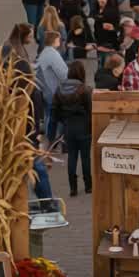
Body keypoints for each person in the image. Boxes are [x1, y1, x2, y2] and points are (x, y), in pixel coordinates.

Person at [53, 61, 93, 196]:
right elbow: (90, 111)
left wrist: (63, 121)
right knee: (85, 157)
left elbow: (54, 110)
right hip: (84, 127)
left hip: (69, 126)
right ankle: (88, 185)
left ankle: (73, 187)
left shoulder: (59, 89)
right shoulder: (85, 90)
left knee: (72, 156)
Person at [34, 31, 70, 141]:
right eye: (58, 39)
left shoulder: (44, 53)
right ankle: (52, 138)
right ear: (54, 40)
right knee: (54, 115)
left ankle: (49, 137)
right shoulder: (53, 54)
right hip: (52, 89)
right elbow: (63, 74)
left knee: (48, 114)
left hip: (44, 89)